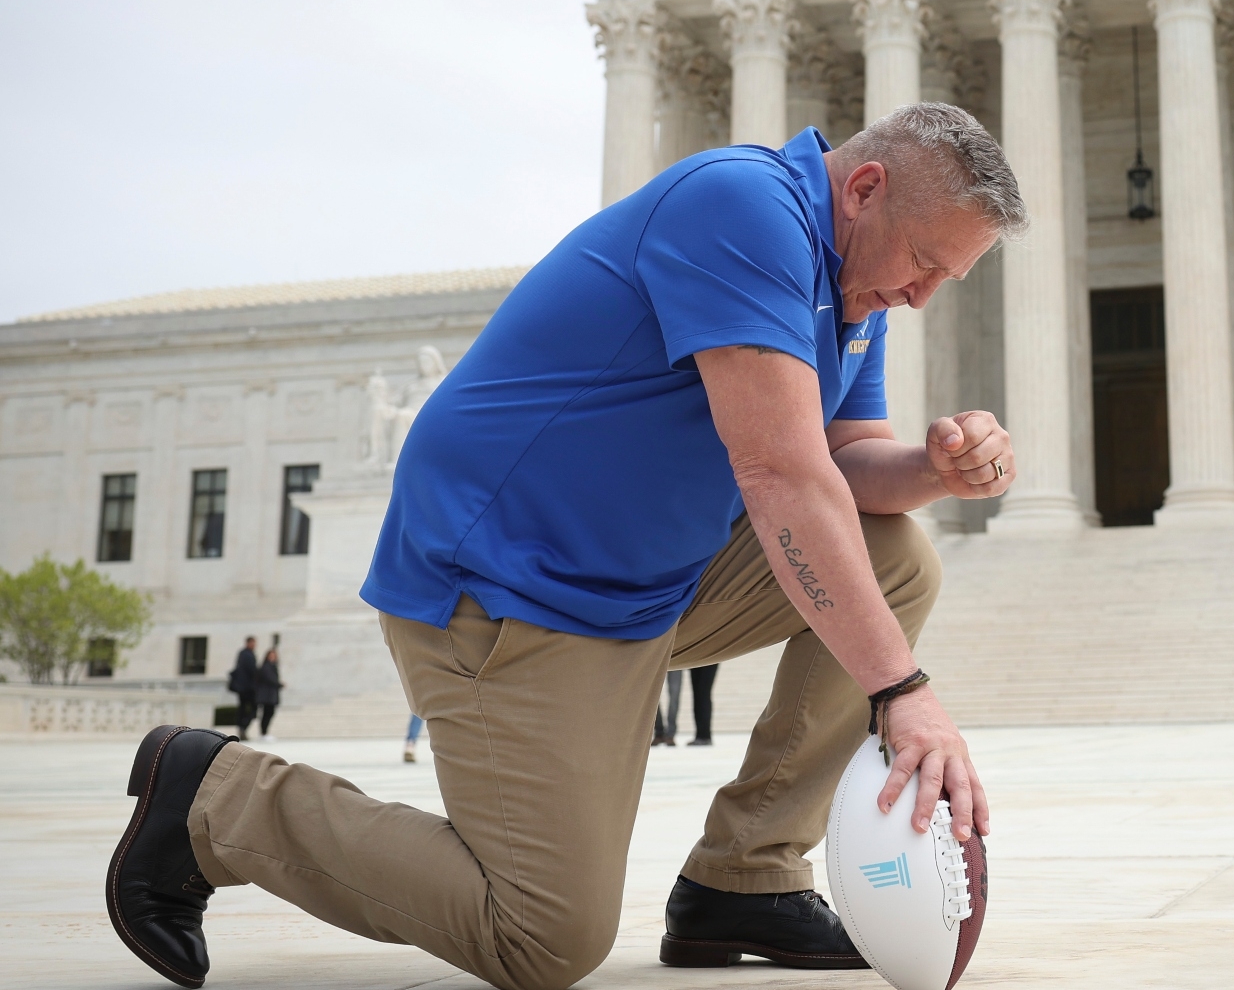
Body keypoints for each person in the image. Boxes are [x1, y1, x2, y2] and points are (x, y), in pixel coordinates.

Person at [107, 105, 1019, 990]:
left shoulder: (856, 286)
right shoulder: (743, 207)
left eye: (950, 280)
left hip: (641, 585)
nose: (922, 294)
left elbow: (848, 463)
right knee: (543, 936)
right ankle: (214, 798)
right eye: (925, 263)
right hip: (505, 588)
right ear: (862, 189)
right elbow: (782, 472)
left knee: (898, 555)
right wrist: (902, 691)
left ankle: (745, 875)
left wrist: (937, 469)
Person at [223, 637, 257, 740]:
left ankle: (242, 727)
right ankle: (242, 727)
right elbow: (251, 670)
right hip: (247, 688)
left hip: (243, 687)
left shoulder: (244, 654)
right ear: (248, 643)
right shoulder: (247, 654)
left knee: (243, 708)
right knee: (252, 708)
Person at [251, 650, 281, 741]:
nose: (272, 657)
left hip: (270, 695)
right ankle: (263, 733)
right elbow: (270, 679)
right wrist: (279, 684)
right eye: (271, 655)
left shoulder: (272, 666)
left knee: (269, 713)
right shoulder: (266, 667)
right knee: (267, 713)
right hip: (267, 695)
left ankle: (264, 732)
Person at [688, 663, 719, 746]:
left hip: (710, 659)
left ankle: (705, 735)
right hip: (695, 659)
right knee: (697, 695)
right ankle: (699, 735)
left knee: (703, 694)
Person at [652, 668, 684, 746]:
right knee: (653, 696)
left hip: (676, 659)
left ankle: (670, 734)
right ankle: (659, 732)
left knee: (674, 695)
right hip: (657, 659)